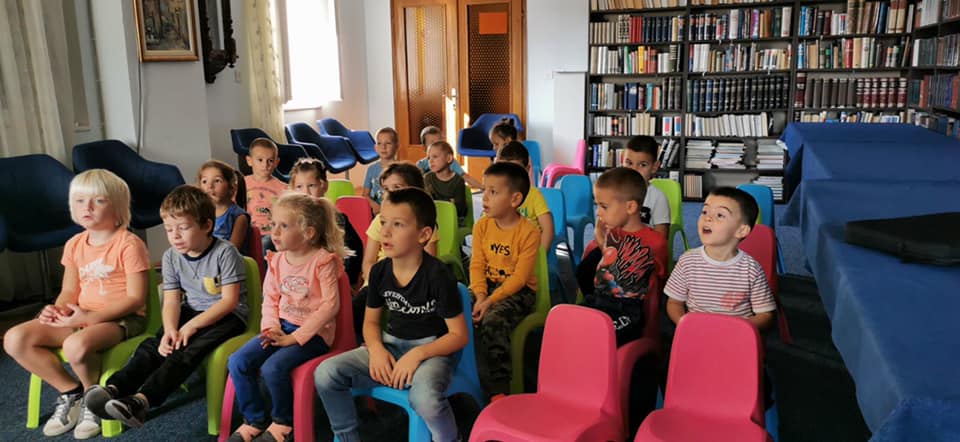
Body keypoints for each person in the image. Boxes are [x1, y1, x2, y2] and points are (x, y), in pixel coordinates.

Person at [83, 185, 248, 430]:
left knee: (186, 353)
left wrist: (190, 327)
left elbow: (229, 301)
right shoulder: (171, 257)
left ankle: (142, 401)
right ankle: (115, 389)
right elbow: (171, 300)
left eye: (183, 228)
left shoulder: (226, 252)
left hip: (228, 315)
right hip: (192, 310)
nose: (175, 236)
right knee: (155, 345)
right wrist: (170, 329)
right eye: (169, 229)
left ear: (206, 225)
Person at [3, 169, 150, 439]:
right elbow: (69, 290)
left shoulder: (129, 244)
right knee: (15, 339)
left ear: (118, 206)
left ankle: (93, 399)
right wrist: (58, 308)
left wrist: (89, 319)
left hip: (121, 319)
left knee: (75, 345)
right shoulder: (74, 244)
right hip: (80, 316)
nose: (87, 208)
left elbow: (135, 299)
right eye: (80, 201)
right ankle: (72, 392)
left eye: (98, 201)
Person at [315, 188, 468, 442]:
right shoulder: (379, 272)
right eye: (383, 222)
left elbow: (459, 335)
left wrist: (417, 354)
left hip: (432, 353)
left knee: (425, 400)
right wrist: (376, 349)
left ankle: (450, 439)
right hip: (391, 347)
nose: (385, 232)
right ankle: (347, 438)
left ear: (423, 235)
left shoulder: (439, 275)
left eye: (397, 224)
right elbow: (371, 322)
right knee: (325, 373)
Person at [225, 194, 346, 442]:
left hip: (313, 334)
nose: (275, 232)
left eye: (284, 226)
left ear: (308, 233)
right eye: (273, 224)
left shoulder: (322, 262)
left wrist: (295, 338)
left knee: (273, 368)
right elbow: (270, 298)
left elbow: (330, 306)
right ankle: (254, 419)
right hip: (280, 327)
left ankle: (283, 422)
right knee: (237, 361)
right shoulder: (277, 260)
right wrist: (271, 327)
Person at [470, 162, 539, 398]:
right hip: (487, 288)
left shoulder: (529, 232)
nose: (484, 197)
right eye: (485, 190)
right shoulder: (482, 225)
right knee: (453, 305)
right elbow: (477, 264)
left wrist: (489, 302)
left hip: (519, 291)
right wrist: (480, 295)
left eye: (493, 192)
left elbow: (520, 278)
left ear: (515, 199)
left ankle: (499, 389)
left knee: (493, 320)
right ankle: (458, 375)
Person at [665, 186, 775, 329]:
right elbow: (674, 303)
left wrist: (737, 328)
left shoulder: (751, 269)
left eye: (720, 215)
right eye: (705, 211)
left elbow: (765, 315)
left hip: (735, 337)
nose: (707, 218)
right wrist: (684, 323)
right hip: (697, 333)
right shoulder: (687, 261)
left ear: (741, 230)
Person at [356, 163, 440, 341]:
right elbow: (368, 262)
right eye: (386, 189)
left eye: (397, 188)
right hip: (377, 282)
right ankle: (365, 344)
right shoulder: (379, 221)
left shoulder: (423, 224)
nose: (390, 194)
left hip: (412, 285)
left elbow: (429, 261)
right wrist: (379, 284)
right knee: (356, 309)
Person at [286, 157, 364, 286]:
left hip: (332, 277)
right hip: (300, 279)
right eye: (299, 187)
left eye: (311, 186)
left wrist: (348, 281)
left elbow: (354, 249)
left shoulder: (336, 218)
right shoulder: (290, 219)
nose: (306, 192)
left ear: (324, 186)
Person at [495, 141, 554, 251]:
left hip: (528, 249)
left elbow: (548, 229)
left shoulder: (533, 195)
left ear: (527, 169)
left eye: (517, 171)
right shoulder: (495, 195)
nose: (511, 176)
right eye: (505, 171)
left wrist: (540, 254)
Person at [621, 135, 671, 238]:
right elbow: (601, 228)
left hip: (645, 246)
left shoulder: (658, 198)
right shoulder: (614, 191)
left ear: (654, 167)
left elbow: (661, 238)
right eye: (629, 163)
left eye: (642, 165)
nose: (634, 170)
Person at [244, 138, 288, 252]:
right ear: (249, 160)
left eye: (270, 161)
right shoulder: (240, 184)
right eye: (260, 160)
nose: (265, 165)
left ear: (276, 162)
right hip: (246, 231)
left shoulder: (283, 188)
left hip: (271, 234)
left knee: (265, 244)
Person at [199, 159, 250, 251]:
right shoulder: (199, 213)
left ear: (232, 187)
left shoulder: (239, 217)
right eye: (204, 181)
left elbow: (232, 251)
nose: (210, 186)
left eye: (217, 181)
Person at [416, 126, 482, 188]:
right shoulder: (421, 164)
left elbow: (466, 177)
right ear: (424, 148)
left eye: (439, 142)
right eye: (432, 143)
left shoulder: (450, 162)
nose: (436, 147)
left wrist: (482, 187)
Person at [423, 140, 468, 221]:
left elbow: (460, 210)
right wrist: (449, 202)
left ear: (449, 158)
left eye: (435, 156)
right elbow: (427, 204)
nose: (430, 161)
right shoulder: (427, 178)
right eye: (428, 158)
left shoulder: (458, 181)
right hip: (434, 218)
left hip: (453, 219)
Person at [362, 127, 400, 214]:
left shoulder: (401, 170)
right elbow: (365, 195)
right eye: (379, 143)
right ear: (375, 147)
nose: (383, 147)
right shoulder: (371, 169)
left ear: (397, 146)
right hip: (376, 212)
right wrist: (375, 205)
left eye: (388, 143)